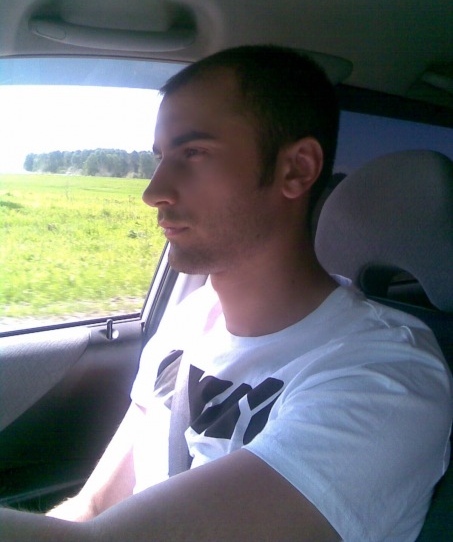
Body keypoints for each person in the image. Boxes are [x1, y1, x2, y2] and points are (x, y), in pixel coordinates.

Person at [1, 45, 452, 541]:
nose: (153, 192)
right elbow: (92, 508)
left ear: (297, 169)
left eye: (193, 153)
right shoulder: (189, 322)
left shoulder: (386, 379)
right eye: (161, 158)